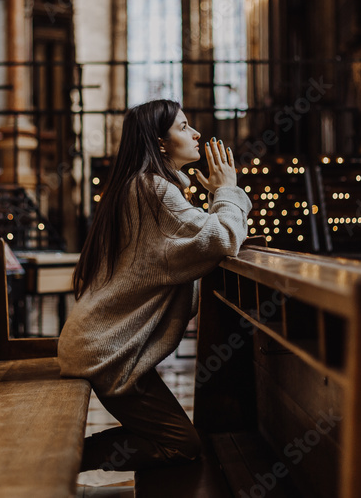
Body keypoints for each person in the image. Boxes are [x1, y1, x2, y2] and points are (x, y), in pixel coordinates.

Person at [58, 99, 251, 471]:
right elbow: (222, 236)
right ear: (160, 143)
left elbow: (200, 237)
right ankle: (56, 459)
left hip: (103, 344)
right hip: (107, 351)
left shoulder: (144, 186)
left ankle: (63, 455)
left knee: (178, 438)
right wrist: (227, 190)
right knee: (183, 445)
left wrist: (217, 198)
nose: (195, 133)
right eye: (183, 127)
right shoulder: (155, 191)